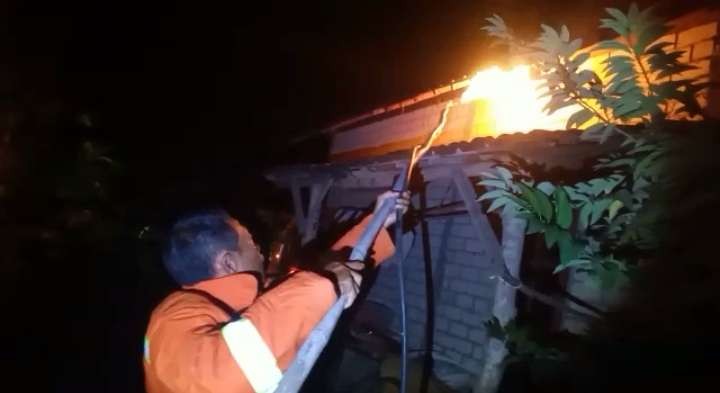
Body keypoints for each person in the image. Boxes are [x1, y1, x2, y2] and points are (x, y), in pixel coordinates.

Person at [143, 191, 410, 393]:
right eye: (251, 243)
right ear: (227, 262)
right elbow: (219, 378)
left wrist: (375, 222)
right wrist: (320, 287)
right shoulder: (172, 317)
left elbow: (327, 269)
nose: (261, 251)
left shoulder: (238, 300)